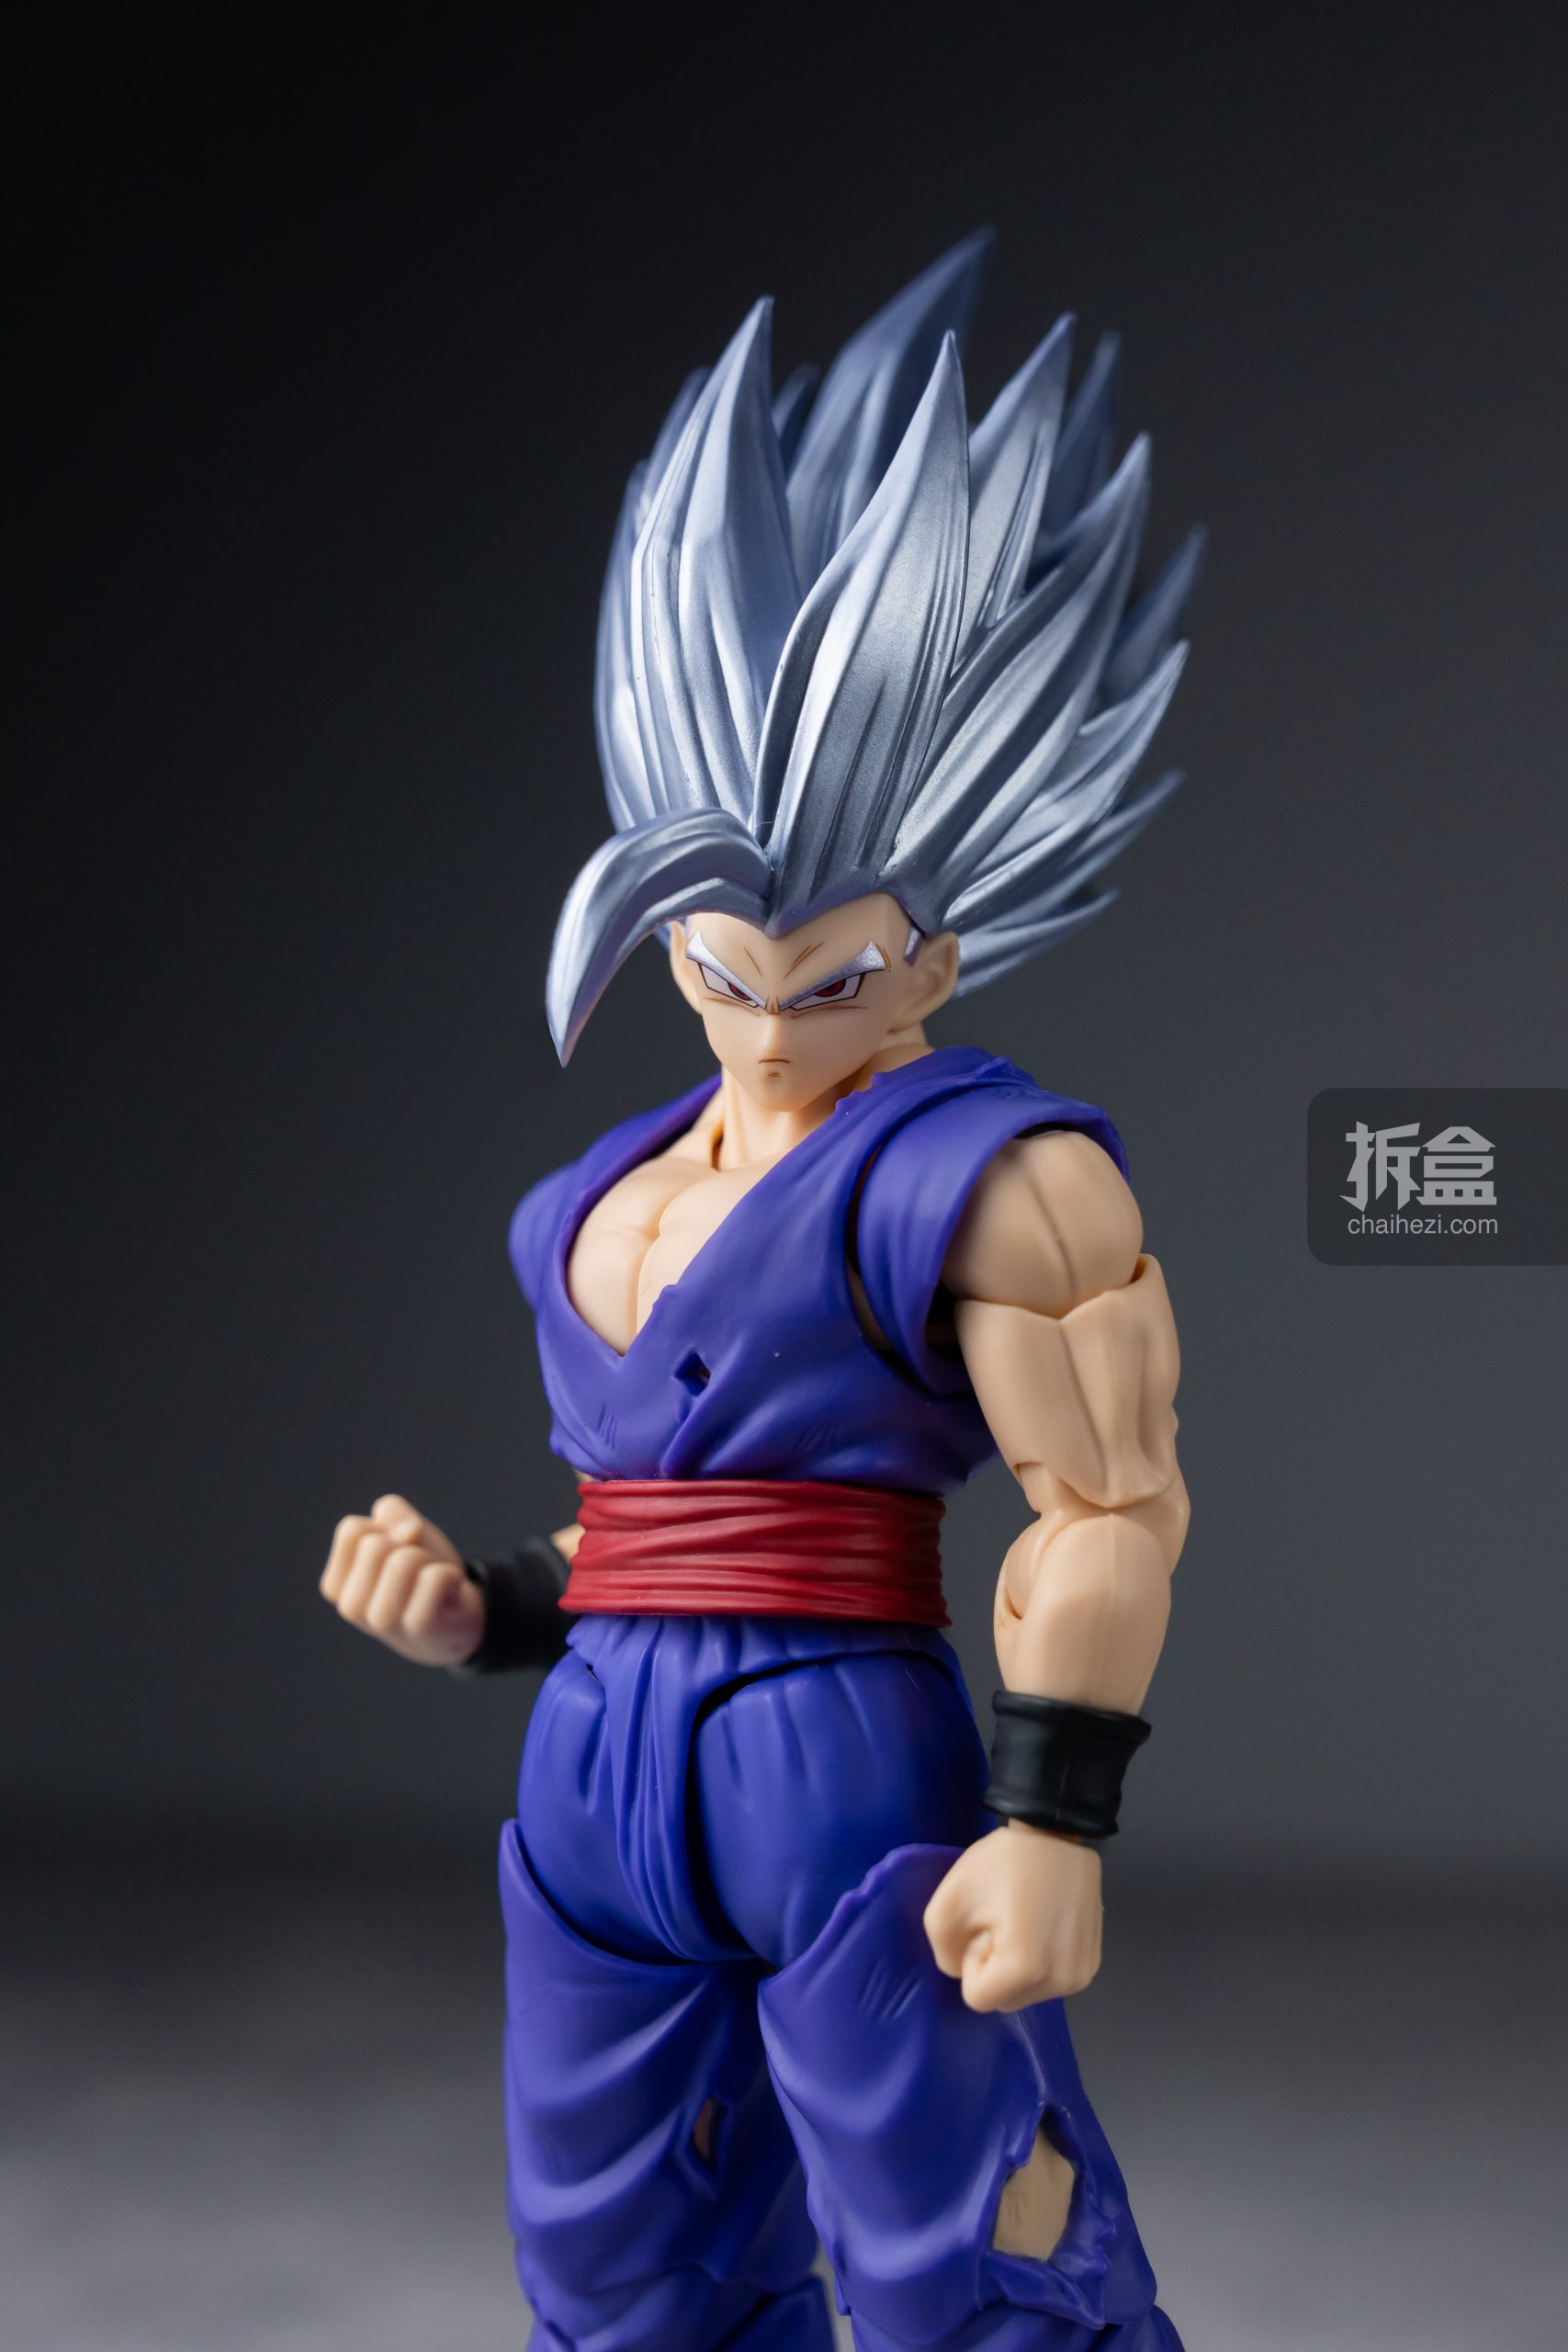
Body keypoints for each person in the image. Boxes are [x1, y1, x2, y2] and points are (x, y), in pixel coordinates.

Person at [321, 235, 1197, 2351]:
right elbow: (657, 1518)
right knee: (618, 2269)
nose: (772, 1019)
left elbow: (1103, 1506)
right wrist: (490, 1609)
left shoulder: (1002, 1177)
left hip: (843, 1777)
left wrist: (1052, 1820)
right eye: (723, 967)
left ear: (935, 953)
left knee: (967, 2245)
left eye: (835, 974)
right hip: (598, 1785)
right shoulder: (594, 1199)